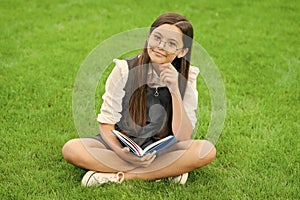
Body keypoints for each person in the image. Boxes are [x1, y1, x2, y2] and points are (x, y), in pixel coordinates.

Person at [62, 12, 216, 186]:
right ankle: (166, 171)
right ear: (148, 37)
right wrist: (121, 153)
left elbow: (183, 135)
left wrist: (174, 89)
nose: (161, 46)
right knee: (71, 149)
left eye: (171, 43)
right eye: (157, 37)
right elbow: (106, 125)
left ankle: (118, 176)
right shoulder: (124, 70)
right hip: (122, 145)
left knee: (206, 150)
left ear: (182, 52)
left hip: (160, 150)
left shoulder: (187, 77)